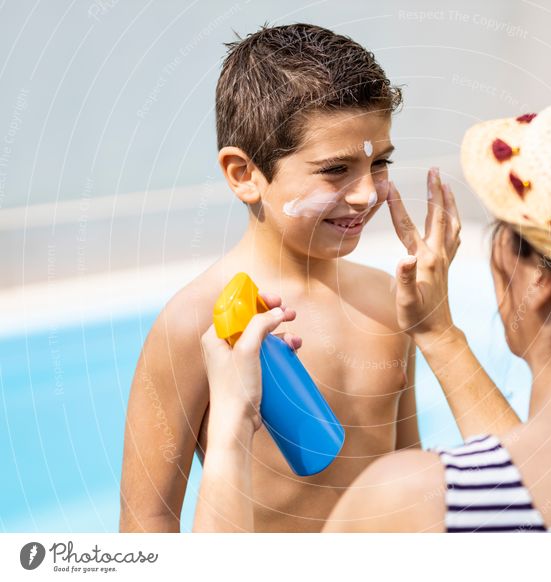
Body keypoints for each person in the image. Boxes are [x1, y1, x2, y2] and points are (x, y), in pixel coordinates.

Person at [195, 84, 551, 533]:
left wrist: (229, 428)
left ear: (538, 279)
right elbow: (527, 490)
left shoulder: (408, 506)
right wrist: (438, 334)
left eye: (506, 231)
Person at [120, 23, 513, 533]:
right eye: (335, 170)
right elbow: (145, 524)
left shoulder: (388, 300)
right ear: (244, 175)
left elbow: (409, 473)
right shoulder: (194, 323)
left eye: (380, 163)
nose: (366, 194)